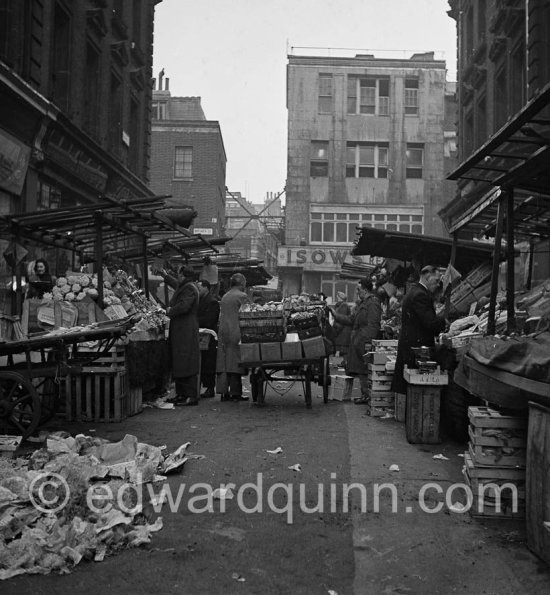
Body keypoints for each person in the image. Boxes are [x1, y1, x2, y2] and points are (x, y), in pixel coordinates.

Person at [391, 265, 447, 396]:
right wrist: (443, 321)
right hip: (416, 346)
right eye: (437, 280)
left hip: (411, 343)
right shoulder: (420, 295)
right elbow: (430, 322)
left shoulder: (416, 291)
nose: (438, 284)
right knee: (413, 386)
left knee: (408, 384)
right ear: (428, 277)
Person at [331, 279, 382, 403]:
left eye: (359, 289)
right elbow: (351, 319)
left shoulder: (372, 303)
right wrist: (336, 316)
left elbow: (373, 325)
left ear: (365, 290)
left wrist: (365, 341)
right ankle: (365, 395)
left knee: (364, 369)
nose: (357, 292)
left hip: (363, 341)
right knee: (361, 369)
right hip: (358, 340)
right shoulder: (363, 304)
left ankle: (367, 395)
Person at [166, 265, 200, 406]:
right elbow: (176, 285)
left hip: (186, 329)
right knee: (179, 361)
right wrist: (164, 275)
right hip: (180, 329)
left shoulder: (190, 288)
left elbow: (184, 306)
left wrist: (170, 310)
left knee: (187, 361)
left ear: (183, 275)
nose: (178, 277)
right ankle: (181, 394)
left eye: (179, 274)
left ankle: (191, 396)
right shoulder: (185, 286)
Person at [216, 272, 249, 401]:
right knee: (235, 363)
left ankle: (224, 393)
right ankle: (236, 393)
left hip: (223, 332)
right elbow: (247, 314)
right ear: (242, 284)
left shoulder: (225, 296)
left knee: (224, 362)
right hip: (236, 332)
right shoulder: (242, 296)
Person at [197, 279, 220, 399]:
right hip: (200, 336)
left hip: (209, 336)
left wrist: (195, 321)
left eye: (199, 288)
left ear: (206, 288)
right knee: (203, 363)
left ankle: (210, 388)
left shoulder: (212, 302)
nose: (198, 290)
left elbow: (211, 320)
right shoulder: (199, 300)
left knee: (209, 363)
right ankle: (202, 386)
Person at [332, 291, 352, 366]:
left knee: (341, 351)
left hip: (342, 333)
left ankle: (339, 366)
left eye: (337, 296)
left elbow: (341, 320)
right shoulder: (342, 306)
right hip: (342, 333)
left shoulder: (343, 306)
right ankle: (340, 365)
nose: (337, 297)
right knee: (341, 352)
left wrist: (335, 332)